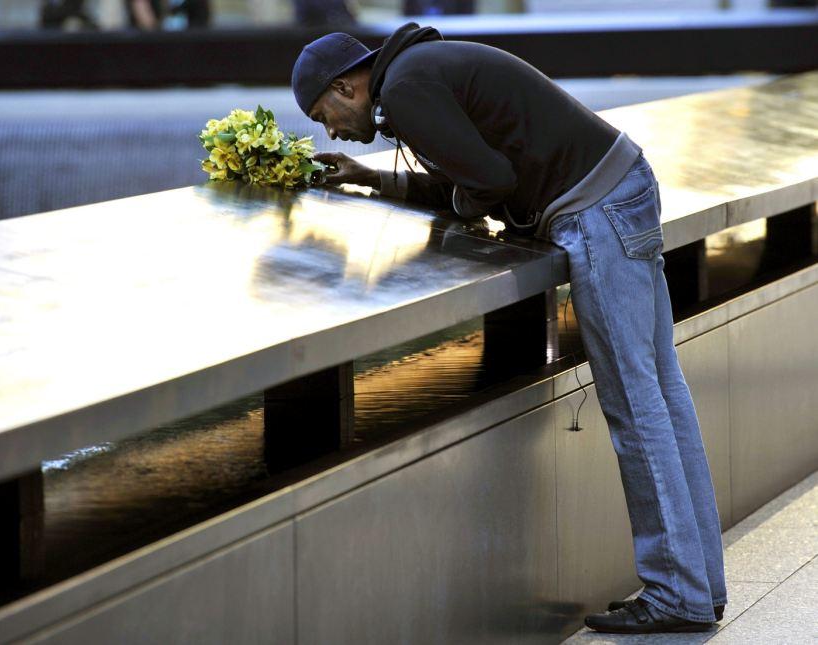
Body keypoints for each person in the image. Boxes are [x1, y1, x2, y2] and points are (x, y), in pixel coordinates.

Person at [291, 23, 727, 634]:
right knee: (662, 394)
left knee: (635, 405)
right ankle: (698, 587)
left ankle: (677, 594)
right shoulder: (421, 71)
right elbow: (472, 175)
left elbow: (489, 182)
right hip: (620, 188)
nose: (331, 129)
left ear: (346, 86)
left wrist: (473, 209)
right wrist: (374, 178)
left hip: (594, 211)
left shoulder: (410, 89)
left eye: (324, 113)